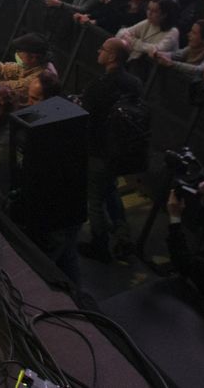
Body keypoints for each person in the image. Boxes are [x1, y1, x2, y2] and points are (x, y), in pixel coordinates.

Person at [78, 37, 143, 262]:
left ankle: (100, 245)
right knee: (111, 190)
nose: (99, 50)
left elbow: (86, 115)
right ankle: (122, 233)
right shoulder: (135, 83)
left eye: (103, 48)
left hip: (99, 149)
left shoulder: (99, 86)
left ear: (113, 56)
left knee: (94, 199)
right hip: (122, 151)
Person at [0, 30, 56, 104]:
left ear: (33, 57)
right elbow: (2, 69)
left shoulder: (40, 79)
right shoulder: (34, 65)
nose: (17, 54)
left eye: (20, 51)